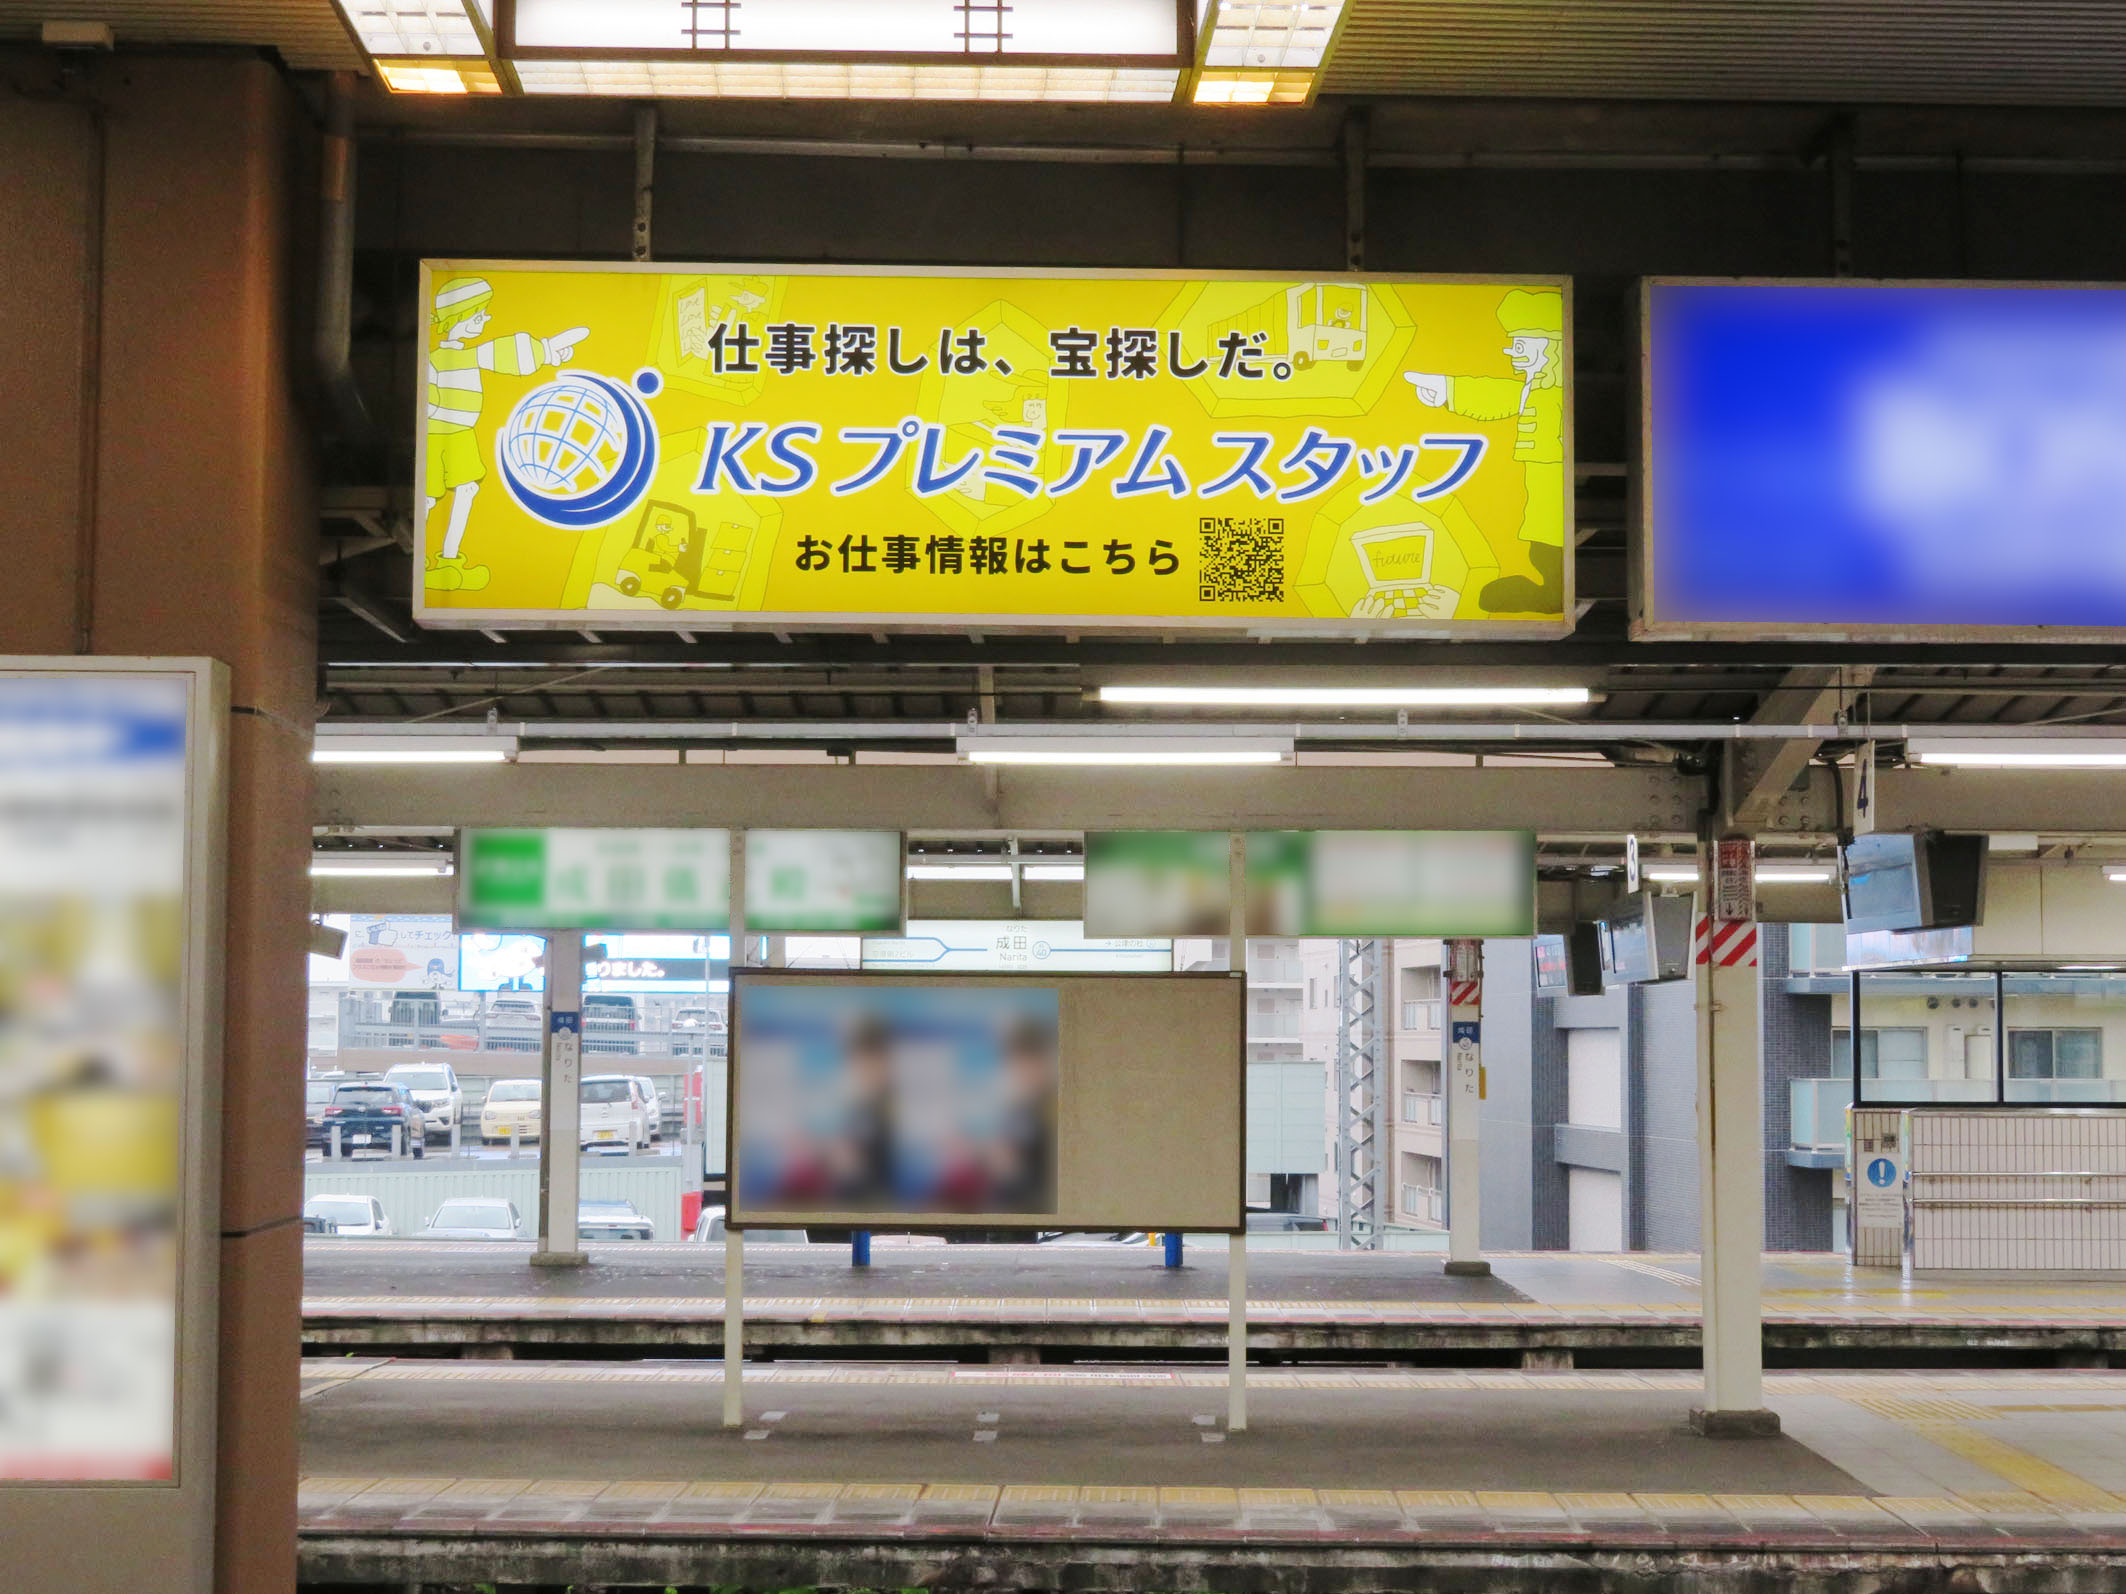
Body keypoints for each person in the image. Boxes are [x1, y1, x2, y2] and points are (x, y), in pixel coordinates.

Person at [1401, 287, 1566, 615]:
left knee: (1546, 543)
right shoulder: (1536, 389)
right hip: (1542, 483)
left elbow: (1503, 397)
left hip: (1552, 485)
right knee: (1540, 537)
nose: (1511, 352)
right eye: (1512, 343)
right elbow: (1502, 396)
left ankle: (1551, 595)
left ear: (1549, 347)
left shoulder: (1556, 393)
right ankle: (1550, 592)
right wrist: (1448, 390)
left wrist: (1449, 390)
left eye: (1520, 345)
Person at [422, 276, 588, 592]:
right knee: (429, 498)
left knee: (467, 490)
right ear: (456, 318)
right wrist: (546, 350)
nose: (485, 319)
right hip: (439, 436)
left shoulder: (467, 356)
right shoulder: (445, 357)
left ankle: (449, 560)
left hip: (462, 436)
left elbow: (501, 356)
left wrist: (546, 353)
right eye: (478, 315)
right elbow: (499, 354)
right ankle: (428, 562)